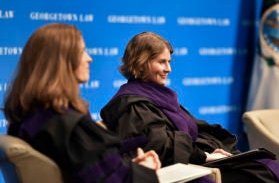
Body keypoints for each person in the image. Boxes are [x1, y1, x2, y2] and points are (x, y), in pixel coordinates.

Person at [100, 31, 279, 183]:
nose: (169, 69)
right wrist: (204, 156)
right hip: (175, 168)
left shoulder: (156, 94)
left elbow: (187, 132)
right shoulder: (132, 104)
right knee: (258, 174)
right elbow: (160, 147)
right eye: (161, 62)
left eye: (169, 61)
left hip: (192, 158)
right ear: (140, 63)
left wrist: (212, 151)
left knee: (263, 164)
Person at [3, 23, 161, 183]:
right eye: (81, 52)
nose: (89, 58)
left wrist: (130, 167)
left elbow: (91, 172)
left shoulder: (32, 116)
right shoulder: (67, 125)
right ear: (61, 62)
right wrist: (145, 169)